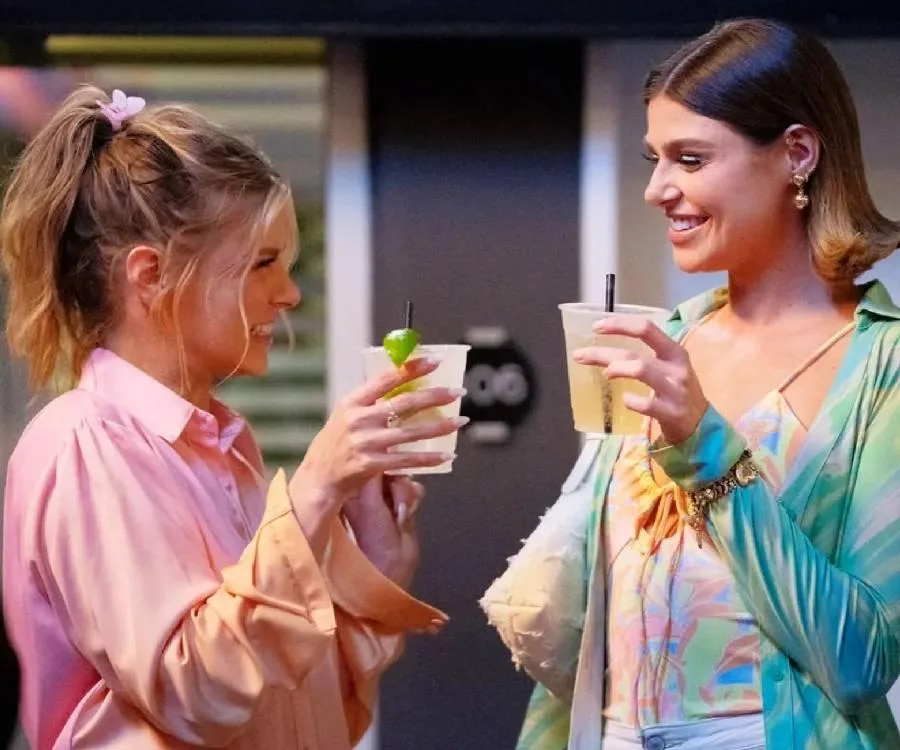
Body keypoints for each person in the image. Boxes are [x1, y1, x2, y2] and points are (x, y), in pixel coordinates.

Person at [0, 85, 467, 750]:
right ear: (151, 275)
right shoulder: (86, 445)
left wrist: (375, 561)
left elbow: (286, 704)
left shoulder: (222, 444)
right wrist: (312, 494)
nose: (290, 294)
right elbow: (198, 696)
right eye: (263, 265)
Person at [481, 17, 900, 750]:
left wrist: (707, 448)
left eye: (690, 158)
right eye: (654, 159)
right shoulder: (666, 341)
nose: (656, 189)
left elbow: (861, 660)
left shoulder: (882, 367)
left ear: (797, 154)